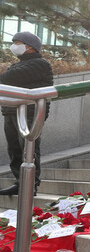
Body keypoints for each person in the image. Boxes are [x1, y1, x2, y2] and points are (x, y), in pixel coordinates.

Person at [0, 32, 53, 195]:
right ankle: (19, 181)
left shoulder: (40, 63)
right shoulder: (19, 64)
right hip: (11, 110)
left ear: (30, 46)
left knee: (28, 148)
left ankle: (30, 184)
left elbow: (8, 78)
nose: (14, 46)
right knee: (14, 149)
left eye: (17, 42)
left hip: (30, 112)